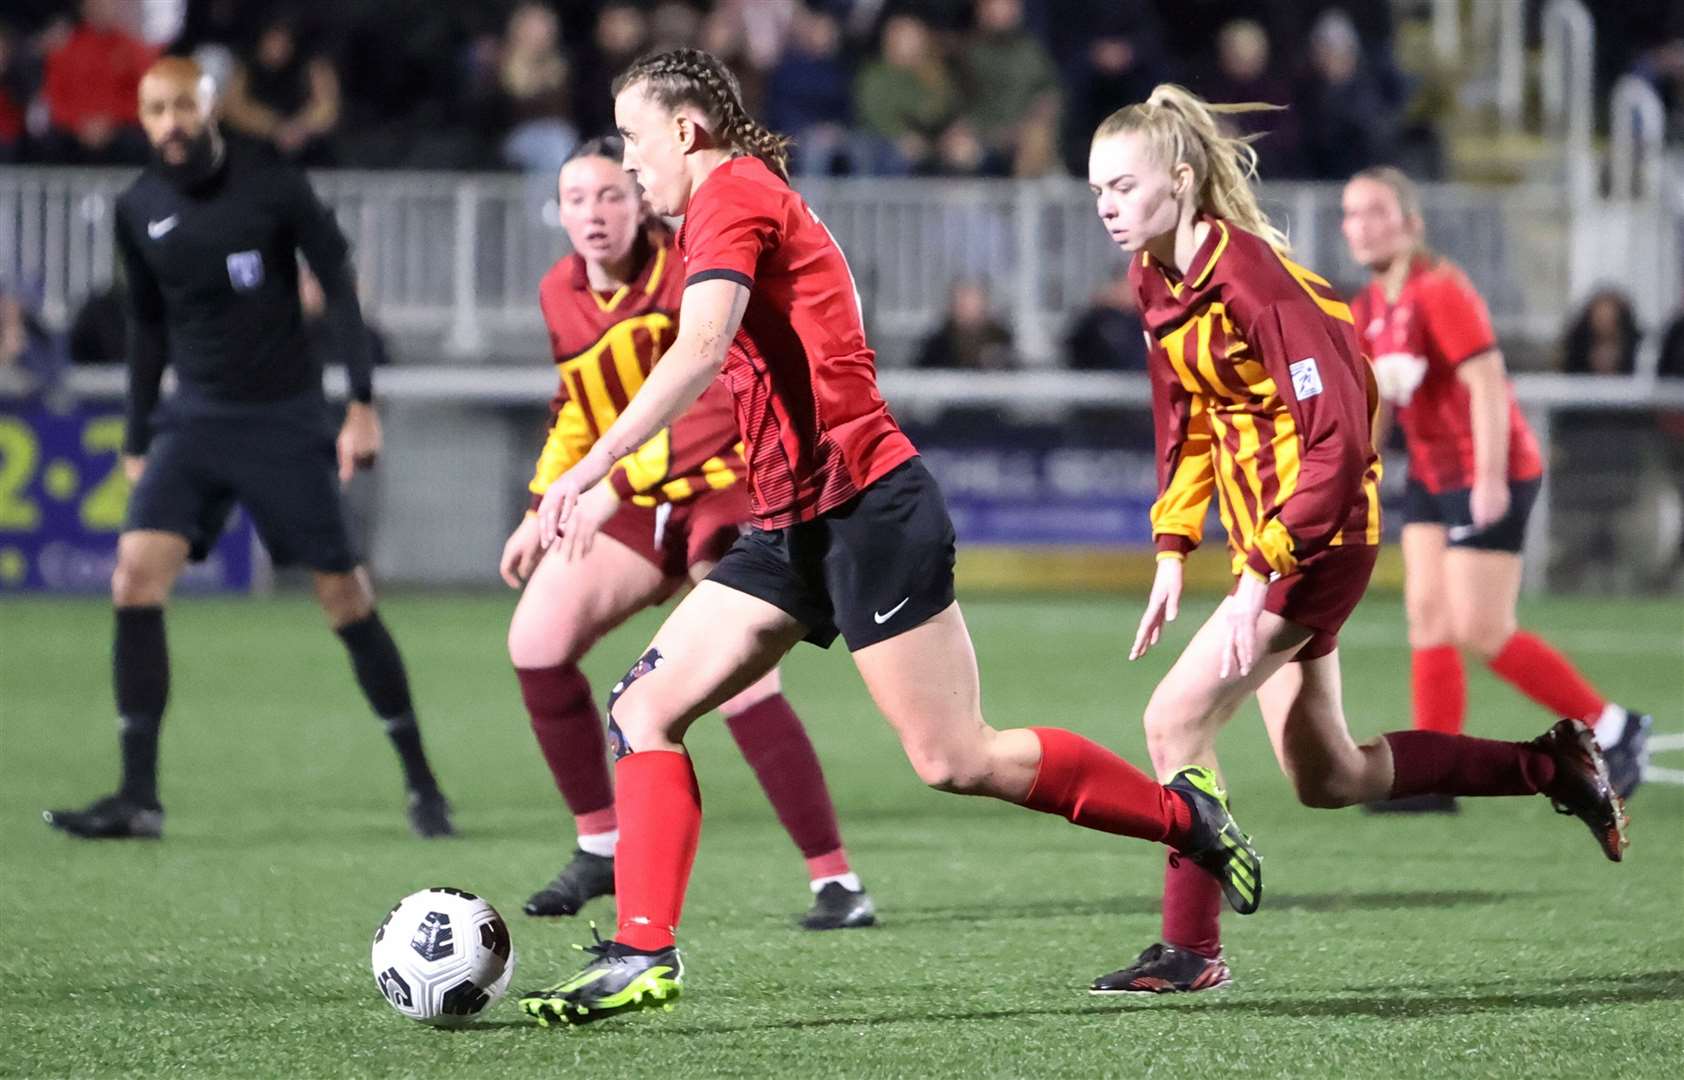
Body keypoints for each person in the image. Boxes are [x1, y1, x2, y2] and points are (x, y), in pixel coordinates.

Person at [515, 48, 1269, 1028]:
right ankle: (642, 953)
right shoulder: (725, 199)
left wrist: (586, 469)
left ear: (688, 130)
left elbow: (700, 350)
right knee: (645, 707)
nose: (628, 160)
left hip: (868, 505)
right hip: (788, 522)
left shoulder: (732, 195)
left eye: (633, 136)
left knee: (956, 758)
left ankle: (1184, 819)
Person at [1085, 85, 1627, 996]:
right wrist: (1174, 550)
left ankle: (1192, 950)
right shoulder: (1154, 276)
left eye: (1123, 186)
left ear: (1180, 182)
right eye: (1096, 188)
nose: (1106, 204)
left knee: (1173, 720)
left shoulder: (1251, 278)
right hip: (1276, 542)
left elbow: (1337, 437)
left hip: (1320, 535)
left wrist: (1262, 569)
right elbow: (1185, 418)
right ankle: (1553, 764)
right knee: (1328, 774)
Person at [41, 58, 453, 841]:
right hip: (193, 424)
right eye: (154, 110)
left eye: (181, 108)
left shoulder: (274, 187)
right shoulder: (139, 206)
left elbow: (337, 284)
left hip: (284, 422)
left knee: (344, 597)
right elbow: (148, 329)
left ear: (211, 110)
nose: (168, 124)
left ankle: (422, 782)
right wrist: (136, 437)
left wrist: (361, 404)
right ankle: (139, 798)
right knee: (134, 577)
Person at [500, 138, 876, 931]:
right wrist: (546, 501)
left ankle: (835, 881)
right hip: (638, 498)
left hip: (730, 485)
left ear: (641, 202)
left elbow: (708, 397)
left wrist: (611, 486)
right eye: (577, 199)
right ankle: (600, 845)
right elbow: (578, 405)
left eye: (611, 194)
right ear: (557, 210)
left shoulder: (689, 263)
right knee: (535, 641)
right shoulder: (558, 292)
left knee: (744, 684)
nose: (594, 215)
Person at [1343, 167, 1652, 807]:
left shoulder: (1440, 290)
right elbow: (1377, 400)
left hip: (1491, 468)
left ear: (1411, 223)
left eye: (1376, 211)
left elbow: (1486, 384)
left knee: (1480, 627)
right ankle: (1434, 772)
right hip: (1433, 473)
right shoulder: (1369, 307)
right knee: (1427, 618)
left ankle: (1616, 727)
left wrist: (1487, 480)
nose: (1361, 225)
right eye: (1351, 214)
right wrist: (1361, 472)